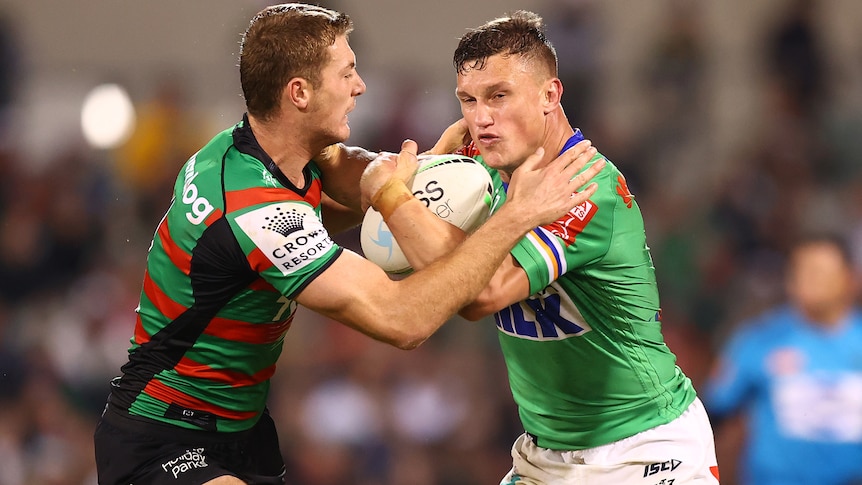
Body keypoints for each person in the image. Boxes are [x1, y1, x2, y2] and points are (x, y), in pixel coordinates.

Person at [91, 4, 604, 485]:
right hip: (162, 435)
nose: (359, 86)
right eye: (346, 72)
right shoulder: (255, 208)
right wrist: (517, 215)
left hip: (242, 429)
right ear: (299, 93)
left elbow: (379, 182)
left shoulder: (270, 150)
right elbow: (404, 321)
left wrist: (445, 158)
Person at [378, 10, 720, 484]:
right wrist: (436, 170)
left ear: (550, 95)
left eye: (499, 96)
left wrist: (394, 196)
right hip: (547, 455)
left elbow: (480, 293)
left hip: (643, 448)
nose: (480, 118)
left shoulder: (583, 188)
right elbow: (417, 263)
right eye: (468, 100)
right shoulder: (483, 165)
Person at [703, 234, 862, 485]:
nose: (809, 279)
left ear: (850, 278)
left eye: (819, 271)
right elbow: (713, 413)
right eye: (801, 270)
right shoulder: (760, 340)